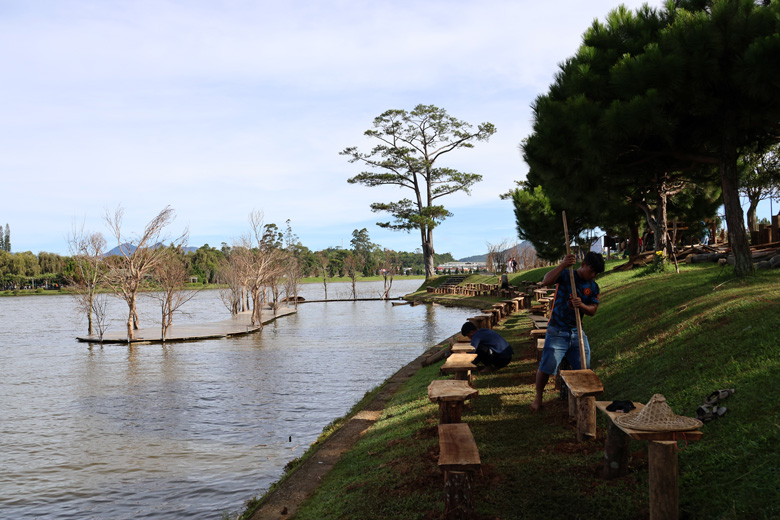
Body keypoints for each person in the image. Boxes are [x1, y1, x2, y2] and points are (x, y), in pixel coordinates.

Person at [530, 251, 605, 412]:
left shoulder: (593, 286)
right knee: (547, 366)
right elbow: (546, 281)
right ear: (583, 264)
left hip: (577, 331)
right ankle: (538, 398)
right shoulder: (566, 275)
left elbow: (593, 310)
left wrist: (582, 306)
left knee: (584, 367)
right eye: (591, 271)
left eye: (596, 273)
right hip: (557, 330)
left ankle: (583, 403)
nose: (593, 275)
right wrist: (563, 264)